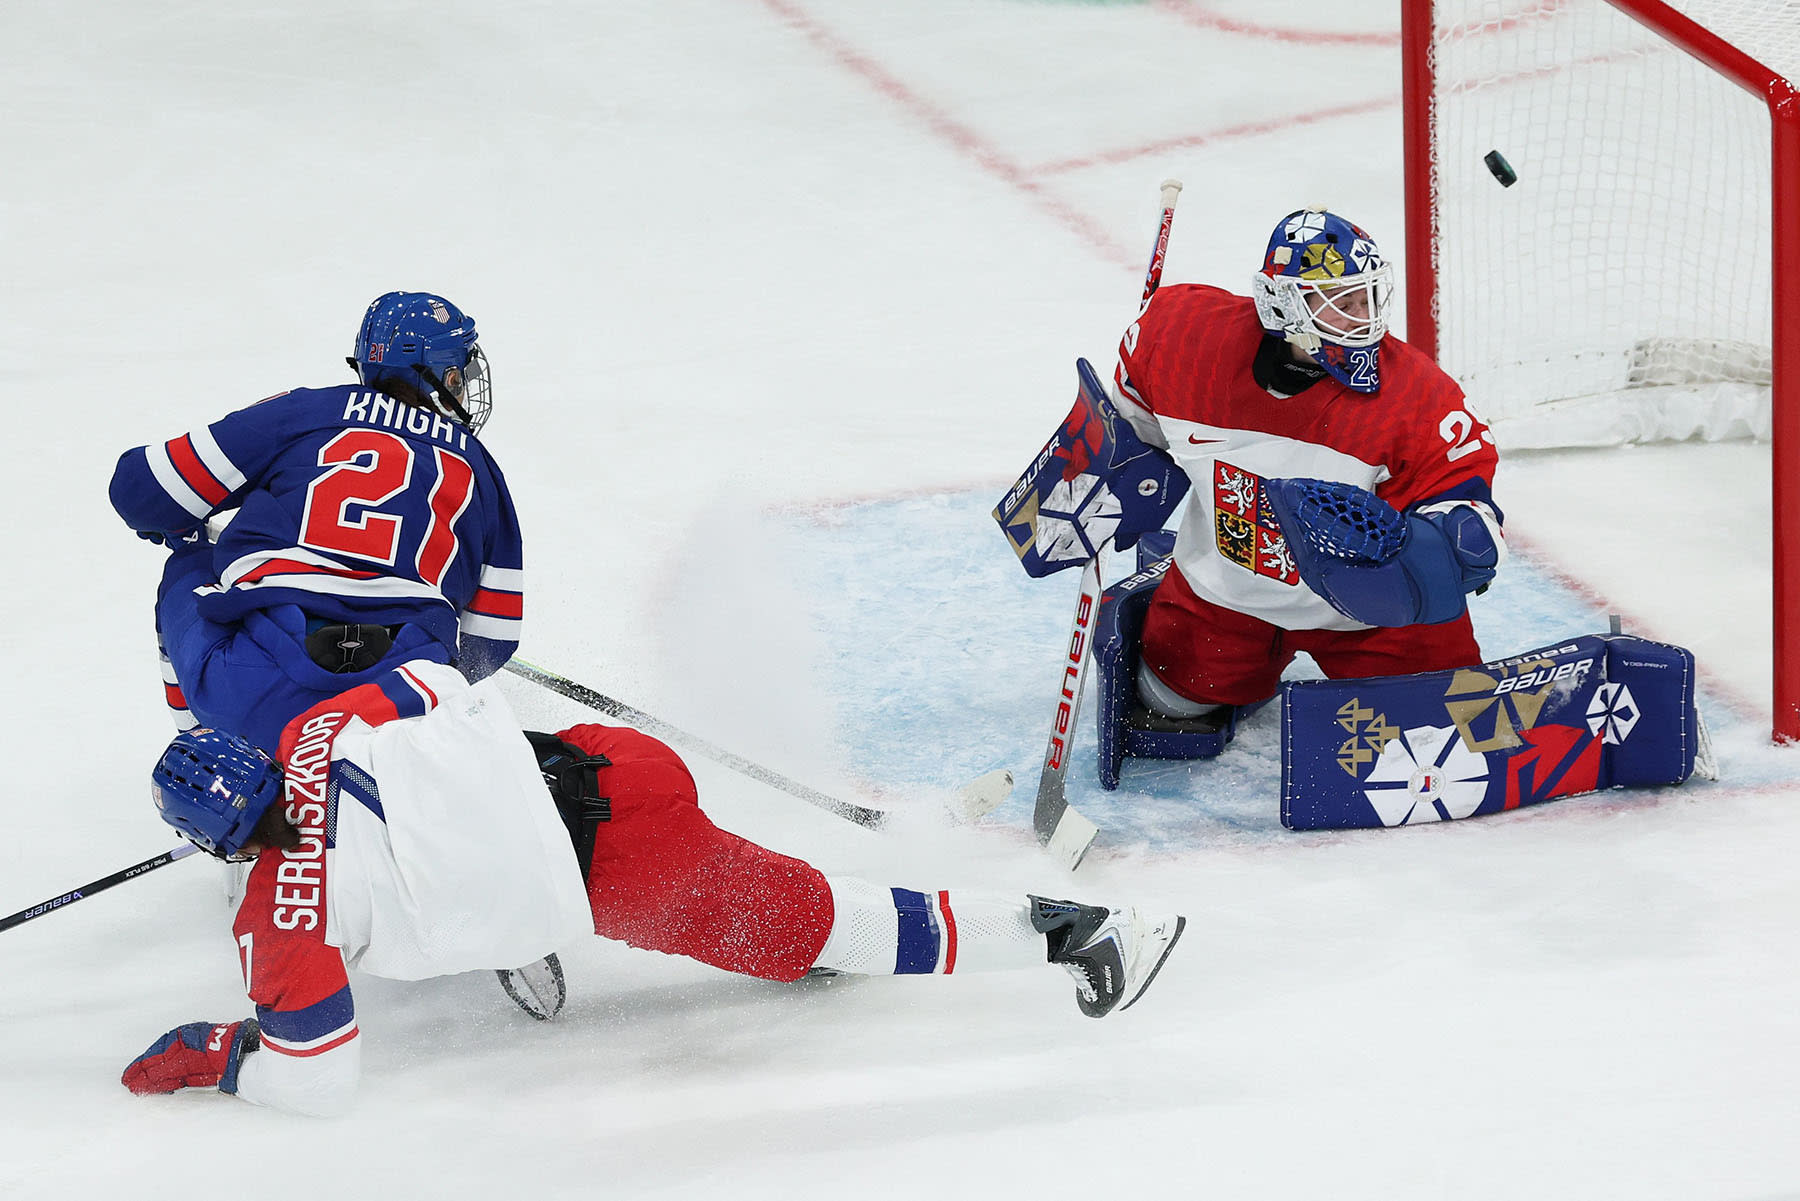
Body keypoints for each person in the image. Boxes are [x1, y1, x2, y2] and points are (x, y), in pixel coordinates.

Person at [120, 661, 1187, 1116]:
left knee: (831, 931)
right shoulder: (314, 730)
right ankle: (509, 913)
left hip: (628, 864)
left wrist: (219, 1059)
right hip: (605, 762)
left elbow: (317, 1080)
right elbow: (440, 679)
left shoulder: (276, 918)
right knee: (459, 842)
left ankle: (1086, 935)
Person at [1106, 206, 1506, 734]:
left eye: (1367, 295)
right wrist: (1101, 469)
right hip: (1226, 593)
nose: (1364, 316)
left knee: (1445, 729)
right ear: (1283, 306)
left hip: (1368, 618)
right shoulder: (1183, 340)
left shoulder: (1416, 395)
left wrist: (1456, 538)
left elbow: (1463, 488)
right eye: (1342, 302)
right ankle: (1186, 614)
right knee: (1169, 710)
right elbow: (1128, 413)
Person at [107, 292, 524, 756]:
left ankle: (212, 759)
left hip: (255, 691)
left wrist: (179, 527)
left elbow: (140, 489)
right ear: (443, 375)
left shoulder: (306, 412)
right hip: (399, 711)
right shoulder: (480, 469)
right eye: (461, 375)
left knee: (188, 566)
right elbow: (493, 638)